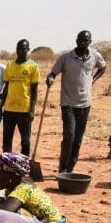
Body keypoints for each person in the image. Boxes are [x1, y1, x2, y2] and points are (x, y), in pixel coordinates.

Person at [46, 30, 107, 173]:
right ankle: (62, 167)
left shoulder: (94, 56)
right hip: (68, 104)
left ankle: (70, 168)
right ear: (76, 40)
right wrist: (50, 78)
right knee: (69, 136)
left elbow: (103, 67)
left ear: (89, 42)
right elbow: (53, 72)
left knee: (78, 138)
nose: (82, 43)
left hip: (85, 104)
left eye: (85, 41)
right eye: (79, 40)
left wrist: (94, 79)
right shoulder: (66, 58)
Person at [0, 153, 72, 223]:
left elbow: (2, 214)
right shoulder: (12, 187)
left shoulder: (23, 190)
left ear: (10, 177)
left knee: (6, 214)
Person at [0, 39, 40, 156]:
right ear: (16, 50)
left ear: (28, 50)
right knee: (7, 140)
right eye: (19, 49)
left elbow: (35, 90)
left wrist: (32, 110)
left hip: (24, 111)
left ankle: (24, 165)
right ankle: (7, 165)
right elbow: (6, 89)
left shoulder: (33, 66)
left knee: (25, 141)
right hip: (9, 109)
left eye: (23, 49)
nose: (21, 51)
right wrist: (0, 109)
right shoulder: (10, 66)